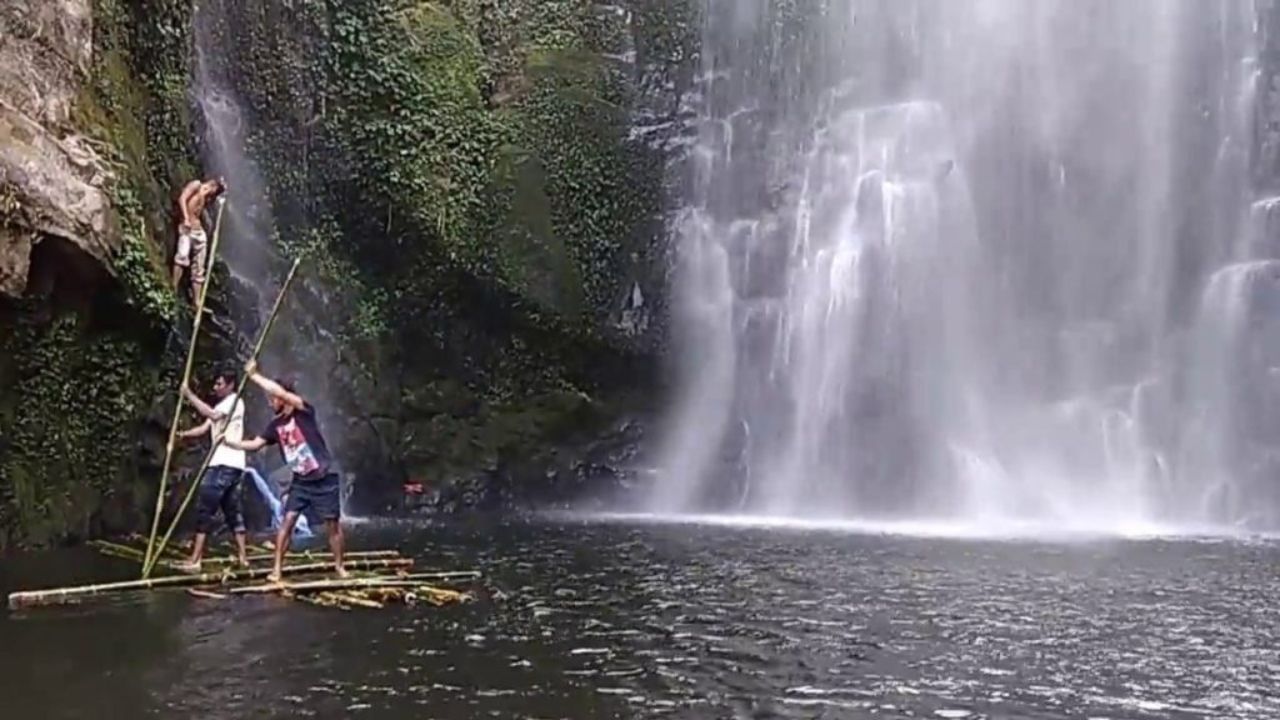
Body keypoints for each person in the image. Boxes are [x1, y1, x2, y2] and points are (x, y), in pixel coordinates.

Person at [225, 360, 345, 582]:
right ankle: (277, 569)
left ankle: (339, 567)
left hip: (323, 476)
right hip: (301, 481)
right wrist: (229, 442)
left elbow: (278, 390)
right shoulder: (275, 426)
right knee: (287, 522)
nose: (270, 402)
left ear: (284, 397)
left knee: (333, 524)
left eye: (273, 399)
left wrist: (254, 376)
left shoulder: (303, 410)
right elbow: (255, 444)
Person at [176, 367, 248, 571]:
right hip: (233, 464)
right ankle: (243, 558)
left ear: (231, 385)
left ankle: (195, 560)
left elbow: (212, 415)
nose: (215, 387)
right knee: (232, 509)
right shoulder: (224, 404)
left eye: (219, 384)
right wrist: (182, 434)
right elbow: (204, 427)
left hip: (223, 463)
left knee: (205, 508)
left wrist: (189, 394)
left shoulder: (235, 401)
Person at [172, 177, 226, 304]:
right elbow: (182, 198)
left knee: (199, 268)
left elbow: (202, 210)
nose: (214, 196)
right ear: (213, 186)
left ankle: (197, 301)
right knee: (182, 256)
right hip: (187, 227)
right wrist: (185, 218)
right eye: (216, 192)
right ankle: (173, 288)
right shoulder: (196, 185)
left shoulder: (207, 198)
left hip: (199, 232)